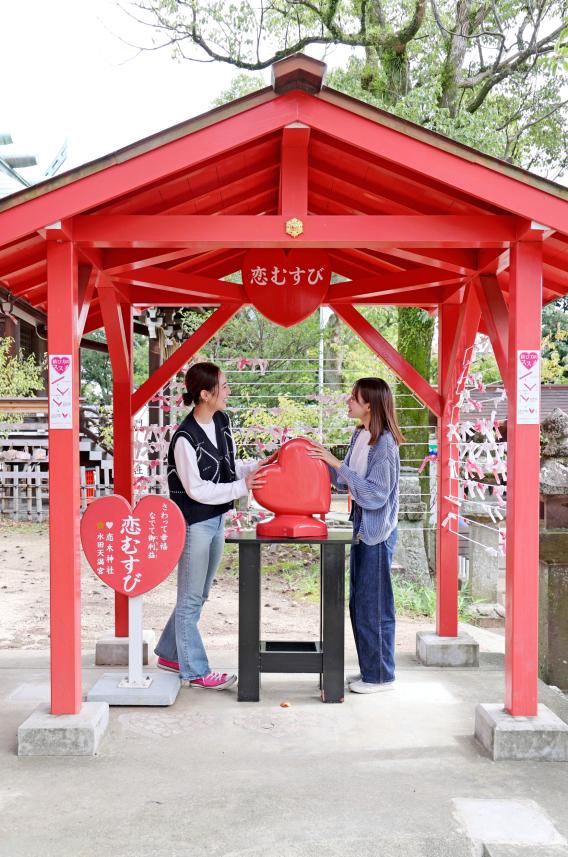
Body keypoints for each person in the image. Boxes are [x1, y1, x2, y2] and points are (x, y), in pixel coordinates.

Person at [155, 361, 269, 690]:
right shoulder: (184, 438)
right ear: (205, 394)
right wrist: (242, 487)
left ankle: (170, 653)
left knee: (199, 594)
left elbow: (227, 466)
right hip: (194, 524)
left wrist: (253, 468)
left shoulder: (221, 421)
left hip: (217, 518)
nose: (229, 390)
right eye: (224, 385)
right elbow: (197, 489)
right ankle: (195, 670)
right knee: (191, 598)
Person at [308, 377, 403, 694]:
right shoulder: (361, 435)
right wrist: (320, 460)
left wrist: (336, 463)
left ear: (369, 405)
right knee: (360, 604)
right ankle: (370, 671)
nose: (348, 401)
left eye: (354, 397)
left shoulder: (385, 444)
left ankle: (381, 677)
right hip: (361, 528)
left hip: (377, 533)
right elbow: (344, 481)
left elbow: (375, 495)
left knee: (374, 607)